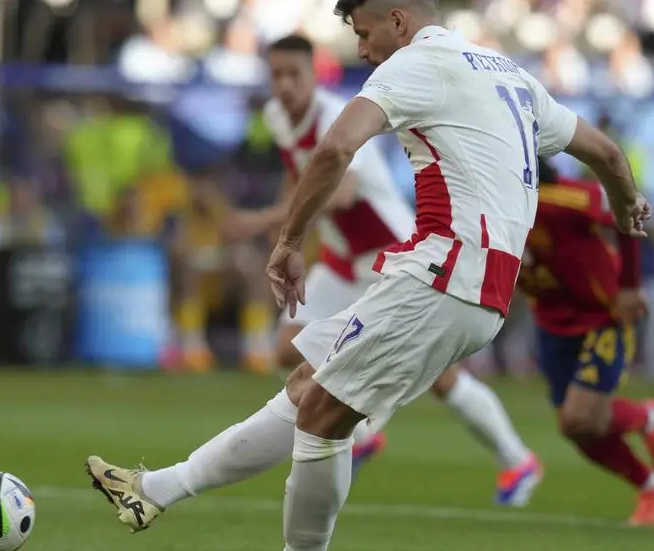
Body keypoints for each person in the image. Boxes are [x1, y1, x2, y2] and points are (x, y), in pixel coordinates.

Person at [86, 0, 650, 551]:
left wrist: (288, 239)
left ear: (399, 21)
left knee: (324, 415)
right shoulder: (511, 75)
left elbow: (335, 150)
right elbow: (606, 153)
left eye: (363, 32)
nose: (360, 48)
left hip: (443, 272)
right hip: (471, 281)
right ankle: (153, 490)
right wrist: (628, 203)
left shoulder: (415, 63)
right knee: (306, 389)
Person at [221, 32, 541, 505]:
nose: (285, 86)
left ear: (316, 75)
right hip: (340, 258)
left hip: (386, 253)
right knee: (287, 349)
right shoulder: (276, 117)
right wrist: (289, 229)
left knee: (439, 376)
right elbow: (300, 179)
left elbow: (345, 192)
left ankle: (518, 461)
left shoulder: (338, 116)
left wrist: (262, 221)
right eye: (277, 76)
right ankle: (364, 425)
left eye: (295, 75)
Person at [521, 159, 654, 526]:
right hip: (551, 323)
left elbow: (629, 211)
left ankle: (649, 417)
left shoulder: (567, 198)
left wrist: (629, 286)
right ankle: (653, 487)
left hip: (602, 316)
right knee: (574, 428)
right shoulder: (490, 203)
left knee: (579, 417)